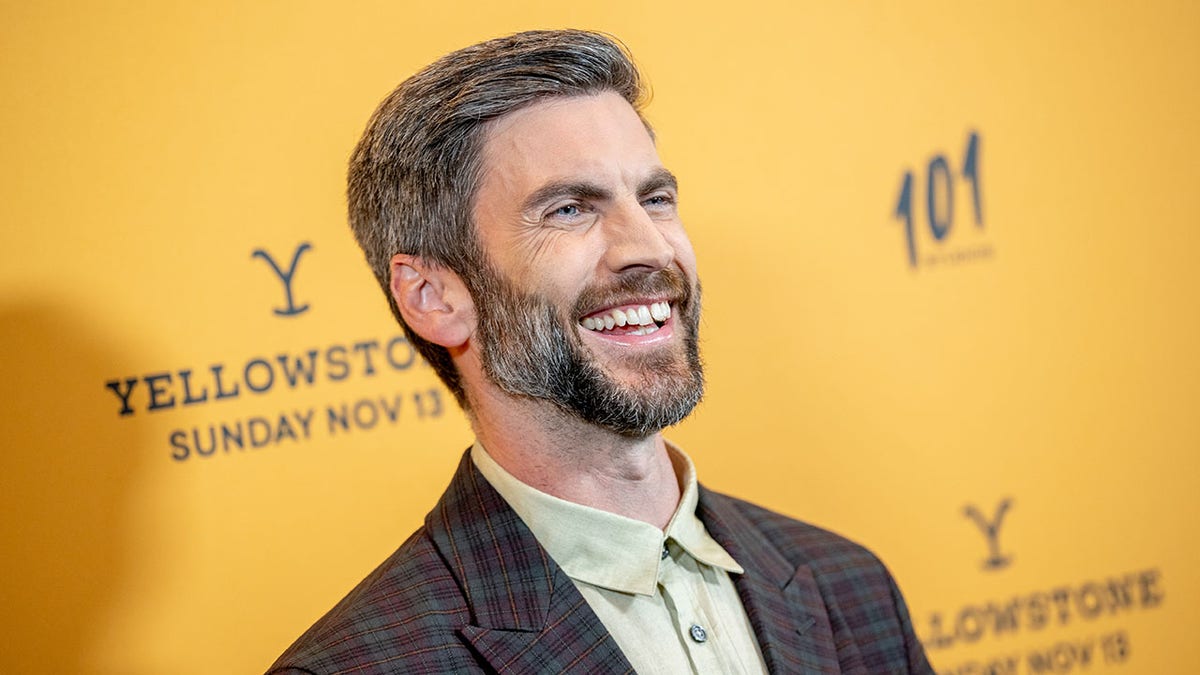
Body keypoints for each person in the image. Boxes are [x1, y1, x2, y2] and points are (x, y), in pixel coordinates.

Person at [269, 29, 933, 674]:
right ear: (433, 296)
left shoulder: (852, 588)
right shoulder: (358, 664)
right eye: (568, 209)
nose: (648, 246)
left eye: (655, 197)